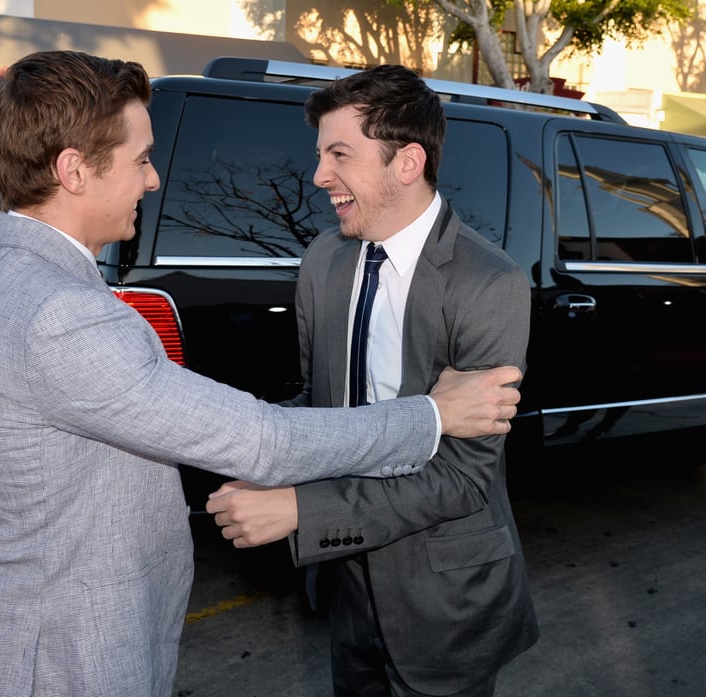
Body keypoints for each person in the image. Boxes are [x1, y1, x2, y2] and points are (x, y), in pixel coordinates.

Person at [0, 50, 523, 697]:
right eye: (141, 159)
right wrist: (434, 414)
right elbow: (267, 438)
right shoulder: (64, 315)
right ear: (73, 170)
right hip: (55, 661)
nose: (151, 180)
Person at [206, 65, 539, 697]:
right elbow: (320, 403)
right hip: (344, 585)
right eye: (320, 154)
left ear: (406, 162)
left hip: (445, 597)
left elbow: (464, 477)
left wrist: (300, 508)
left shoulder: (488, 283)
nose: (318, 176)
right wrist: (266, 459)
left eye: (339, 155)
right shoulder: (324, 259)